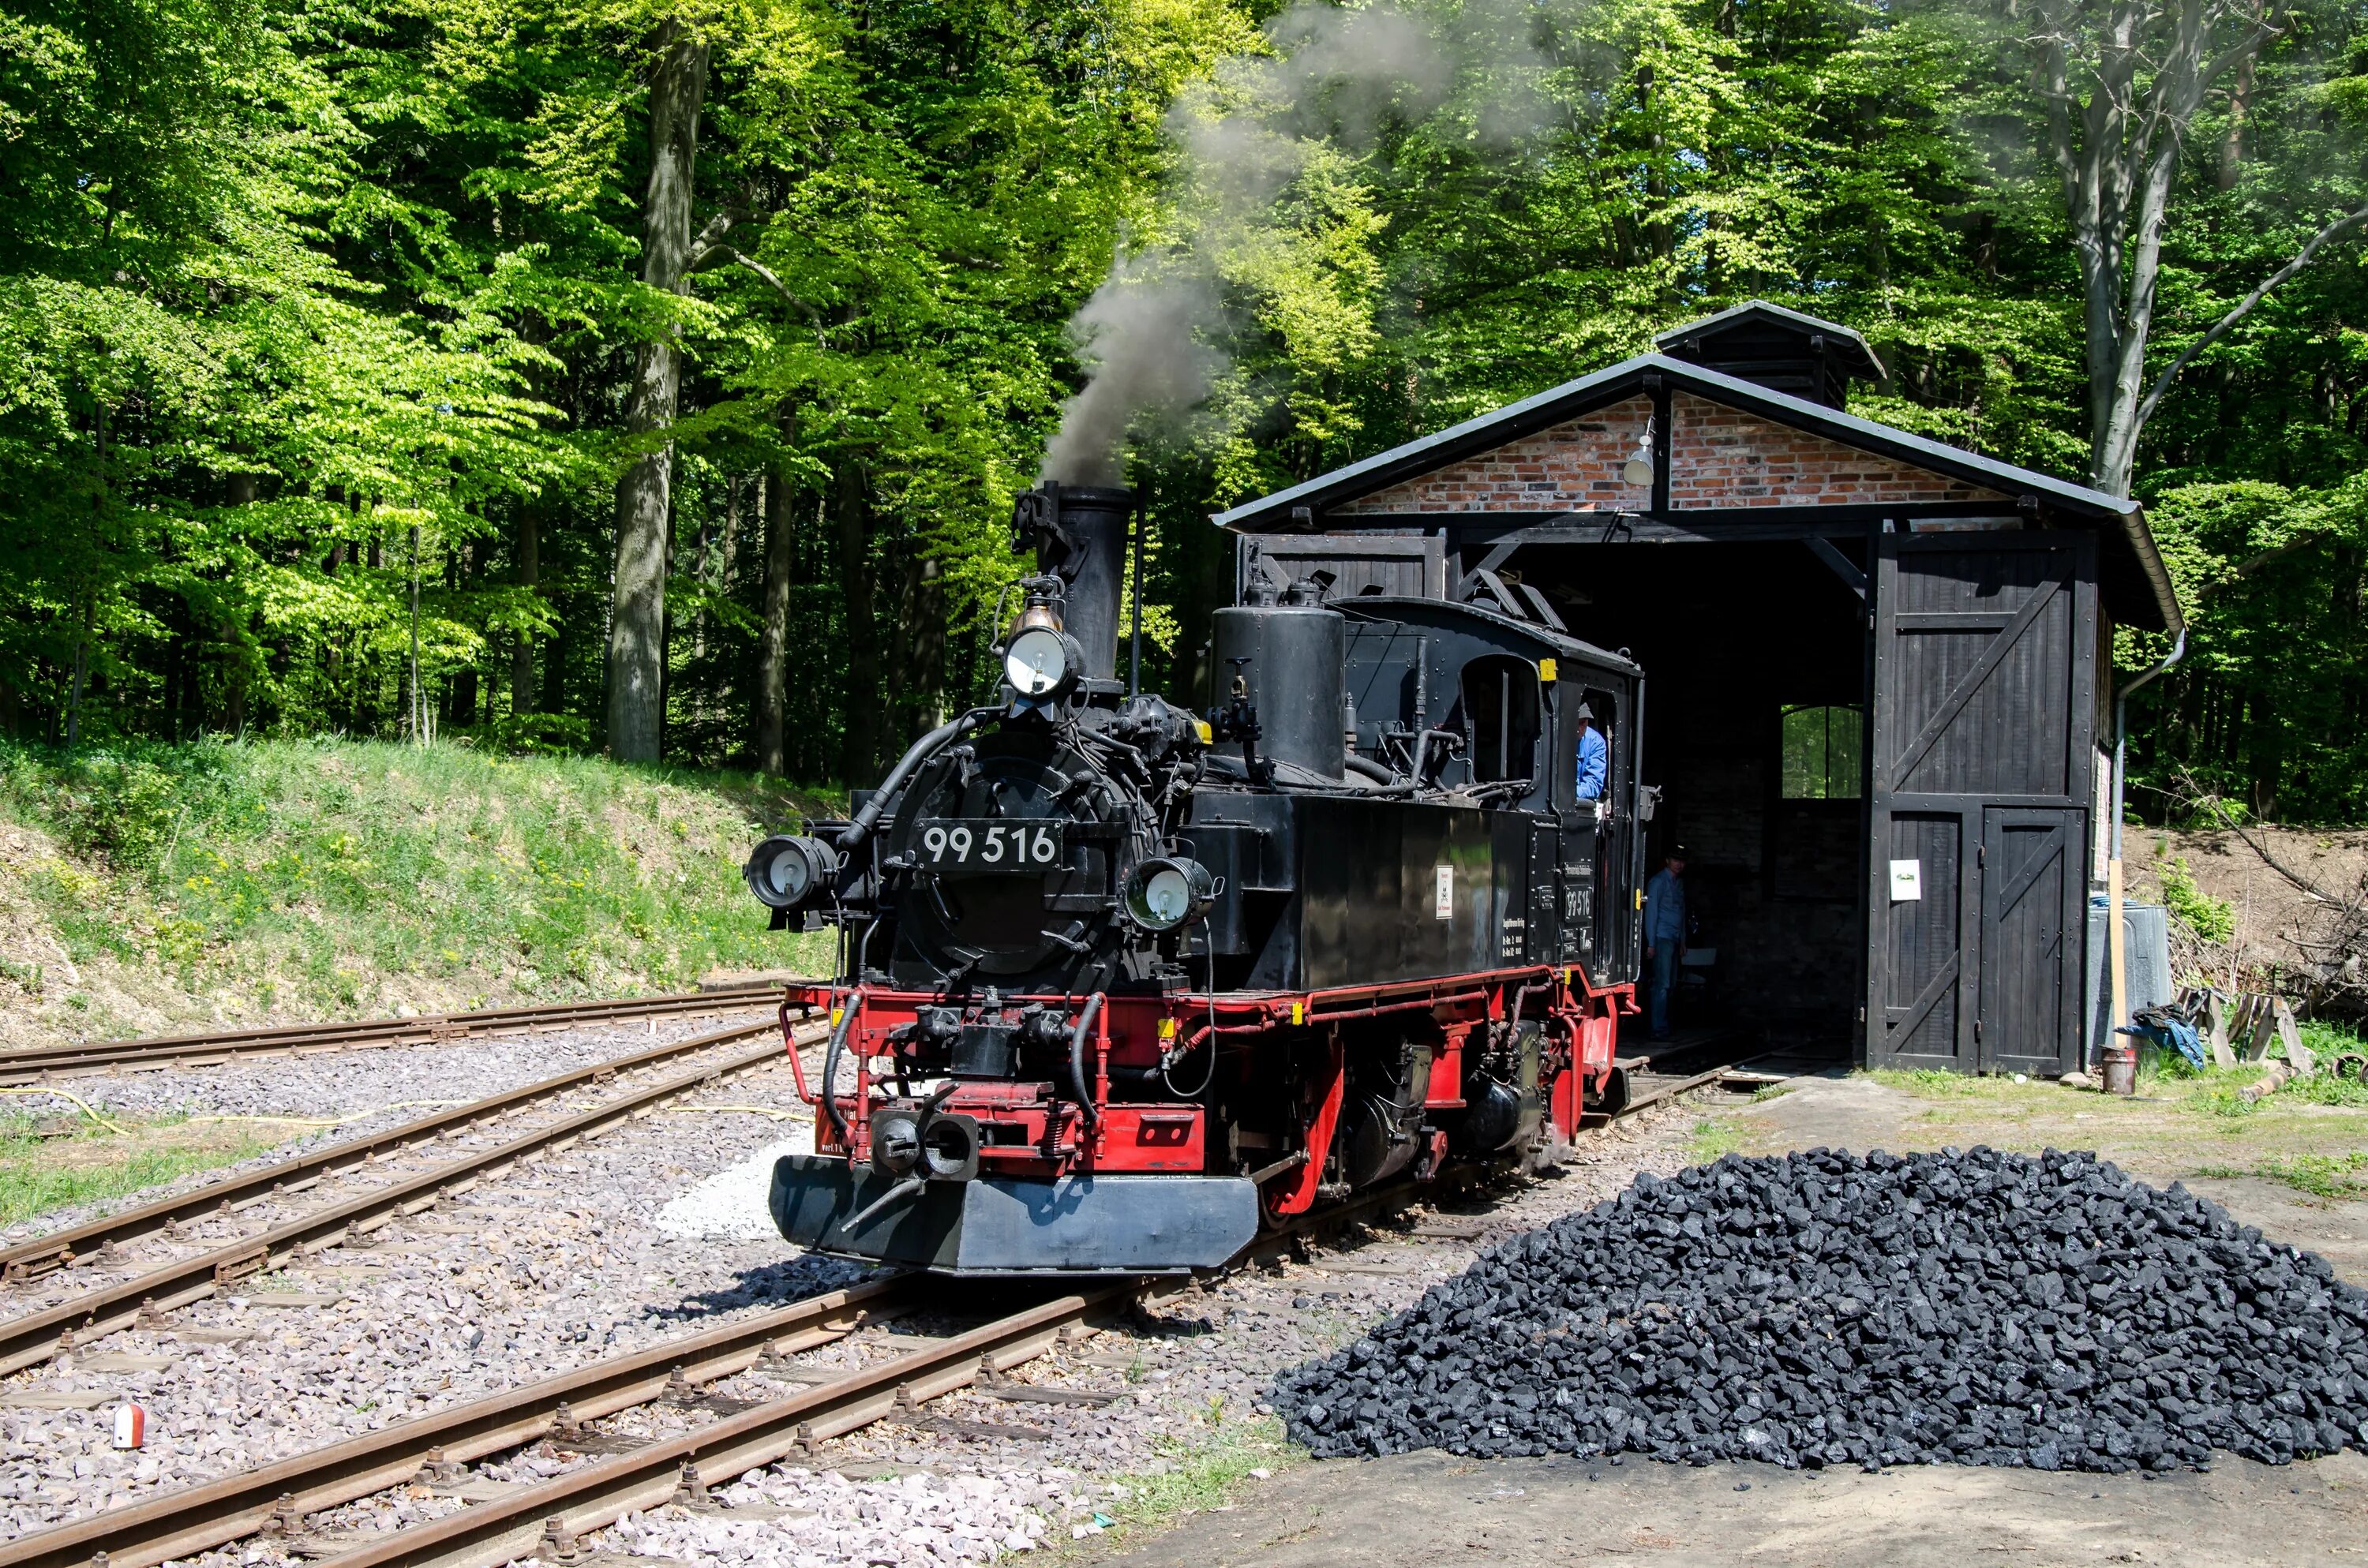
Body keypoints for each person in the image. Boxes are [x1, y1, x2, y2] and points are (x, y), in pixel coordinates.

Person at [1643, 845, 1688, 1040]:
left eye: (1682, 860)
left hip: (1674, 937)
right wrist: (1651, 943)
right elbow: (1651, 913)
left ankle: (1665, 1025)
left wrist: (1683, 940)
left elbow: (1681, 913)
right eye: (1675, 859)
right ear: (1668, 860)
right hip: (1661, 937)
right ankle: (1658, 1027)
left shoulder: (1678, 884)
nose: (1679, 864)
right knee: (1662, 984)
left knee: (1669, 985)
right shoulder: (1658, 882)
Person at [1574, 702, 1607, 803]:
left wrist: (1569, 792)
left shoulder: (1596, 742)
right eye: (1576, 722)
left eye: (1583, 723)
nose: (1579, 729)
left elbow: (1594, 784)